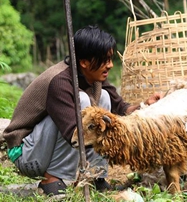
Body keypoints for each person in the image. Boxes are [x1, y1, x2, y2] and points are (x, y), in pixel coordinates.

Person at [3, 25, 162, 196]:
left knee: (104, 99)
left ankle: (96, 178)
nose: (109, 65)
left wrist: (145, 105)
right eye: (104, 60)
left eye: (110, 59)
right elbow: (74, 133)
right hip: (26, 154)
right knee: (83, 103)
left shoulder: (94, 77)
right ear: (84, 62)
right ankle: (52, 180)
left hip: (45, 146)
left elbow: (122, 109)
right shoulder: (59, 82)